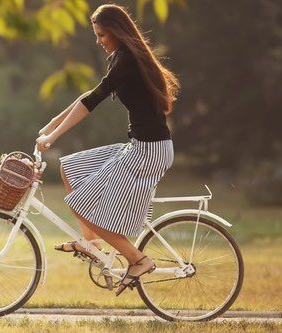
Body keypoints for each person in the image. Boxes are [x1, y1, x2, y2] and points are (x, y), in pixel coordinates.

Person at [35, 4, 179, 296]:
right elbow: (89, 95)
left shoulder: (126, 61)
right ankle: (91, 243)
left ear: (115, 32)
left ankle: (137, 259)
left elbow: (93, 101)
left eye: (101, 34)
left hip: (148, 153)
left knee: (79, 202)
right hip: (141, 146)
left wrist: (53, 137)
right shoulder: (121, 58)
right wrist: (53, 122)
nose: (98, 41)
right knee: (70, 167)